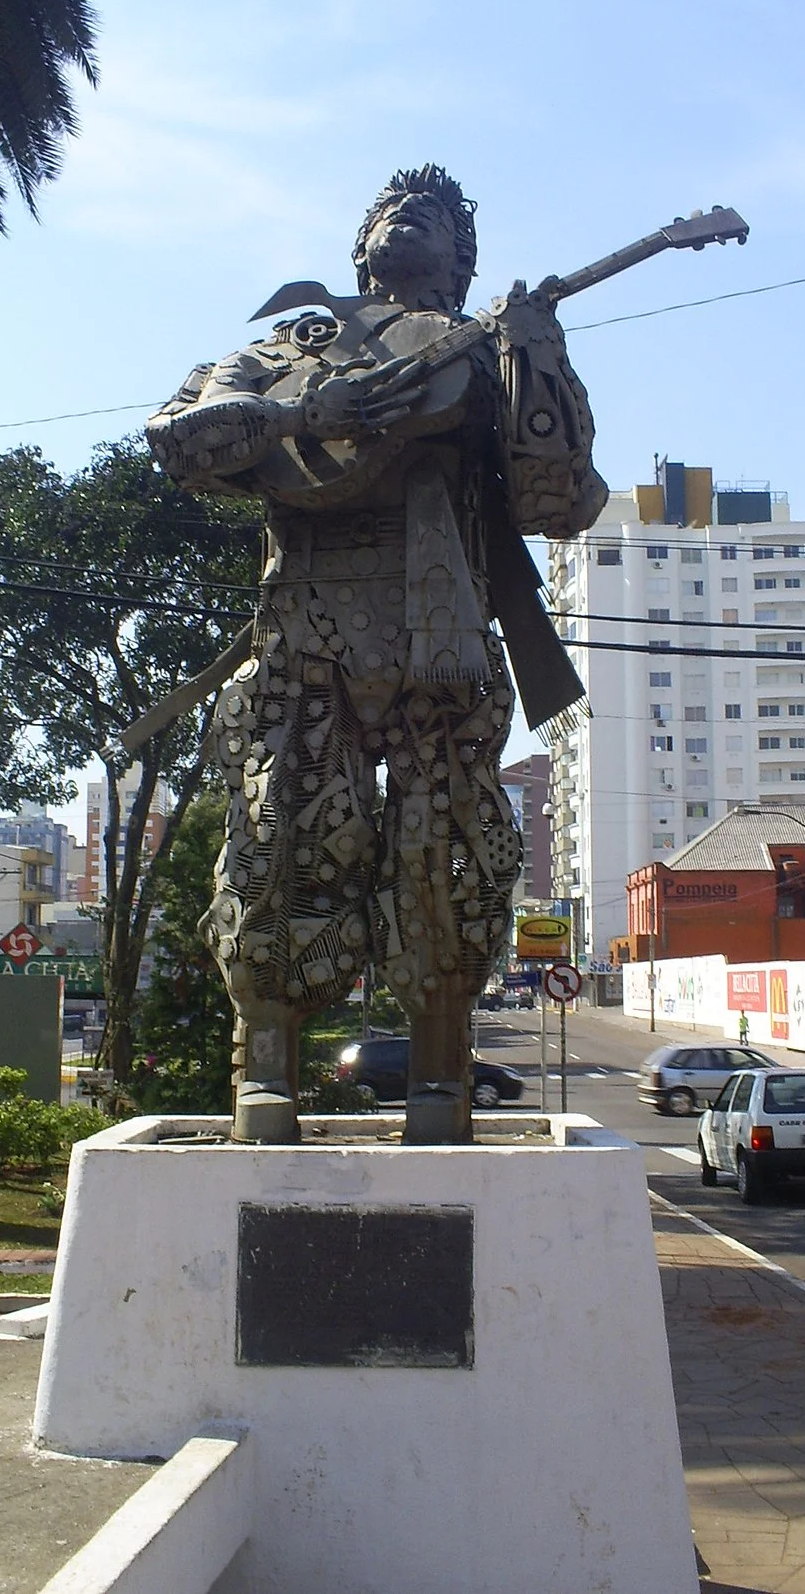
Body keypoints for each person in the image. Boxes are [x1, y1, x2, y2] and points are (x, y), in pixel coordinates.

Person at [147, 166, 607, 1143]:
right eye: (391, 211)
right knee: (278, 846)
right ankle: (263, 1071)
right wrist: (296, 416)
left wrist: (536, 350)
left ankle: (441, 1074)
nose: (406, 220)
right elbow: (179, 440)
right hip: (303, 636)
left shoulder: (478, 357)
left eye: (431, 216)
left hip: (441, 645)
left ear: (459, 256)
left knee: (445, 857)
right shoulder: (287, 346)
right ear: (360, 246)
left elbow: (557, 500)